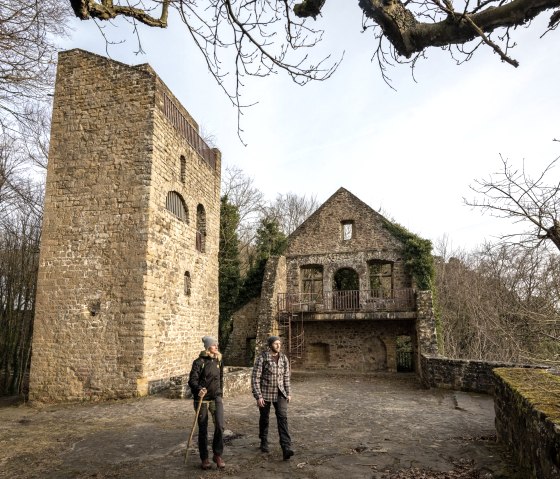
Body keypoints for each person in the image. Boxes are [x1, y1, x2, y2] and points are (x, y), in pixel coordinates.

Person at [251, 335, 294, 460]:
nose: (278, 345)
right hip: (265, 393)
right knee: (264, 418)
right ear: (270, 345)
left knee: (282, 418)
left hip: (280, 393)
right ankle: (263, 440)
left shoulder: (284, 358)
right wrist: (258, 396)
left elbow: (286, 377)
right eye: (275, 344)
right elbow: (255, 378)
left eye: (279, 343)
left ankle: (286, 447)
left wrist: (288, 392)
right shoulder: (262, 358)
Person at [188, 336, 226, 470]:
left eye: (216, 344)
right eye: (214, 345)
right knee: (203, 428)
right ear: (208, 347)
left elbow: (220, 377)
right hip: (202, 399)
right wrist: (199, 388)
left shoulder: (219, 360)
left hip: (216, 397)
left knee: (220, 425)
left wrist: (220, 393)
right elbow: (192, 380)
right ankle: (204, 458)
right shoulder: (199, 362)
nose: (216, 346)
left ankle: (217, 454)